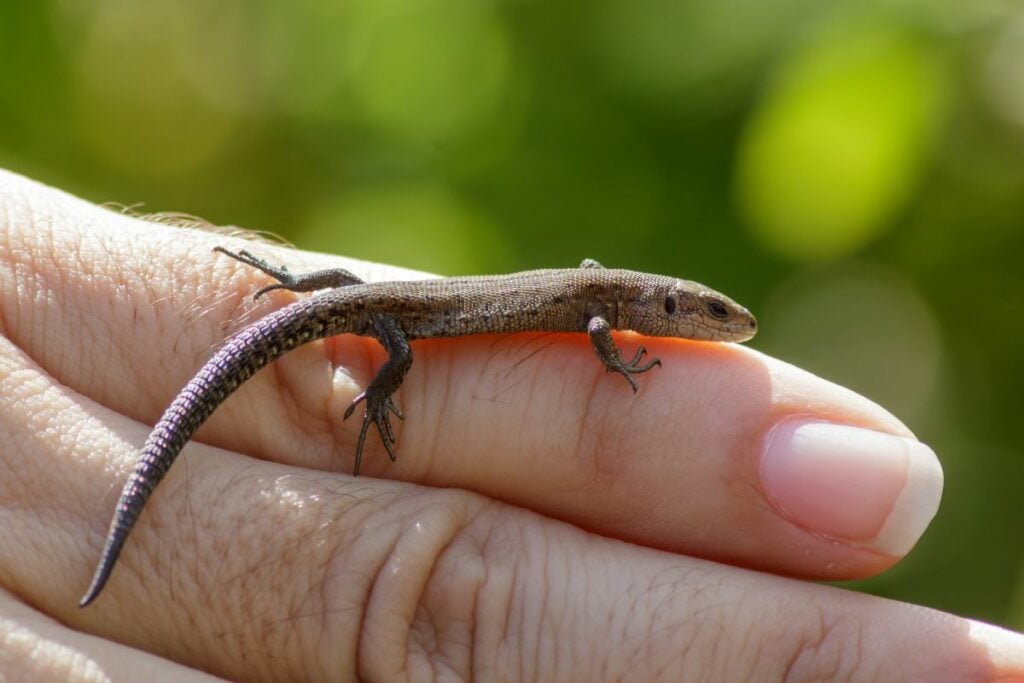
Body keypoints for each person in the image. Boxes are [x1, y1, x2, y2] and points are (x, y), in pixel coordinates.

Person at [0, 169, 1020, 681]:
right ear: (656, 305)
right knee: (371, 342)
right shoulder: (603, 305)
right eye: (704, 314)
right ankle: (315, 329)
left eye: (711, 317)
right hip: (396, 327)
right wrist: (615, 359)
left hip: (365, 307)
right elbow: (587, 324)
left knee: (343, 303)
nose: (717, 327)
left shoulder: (602, 288)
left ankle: (299, 310)